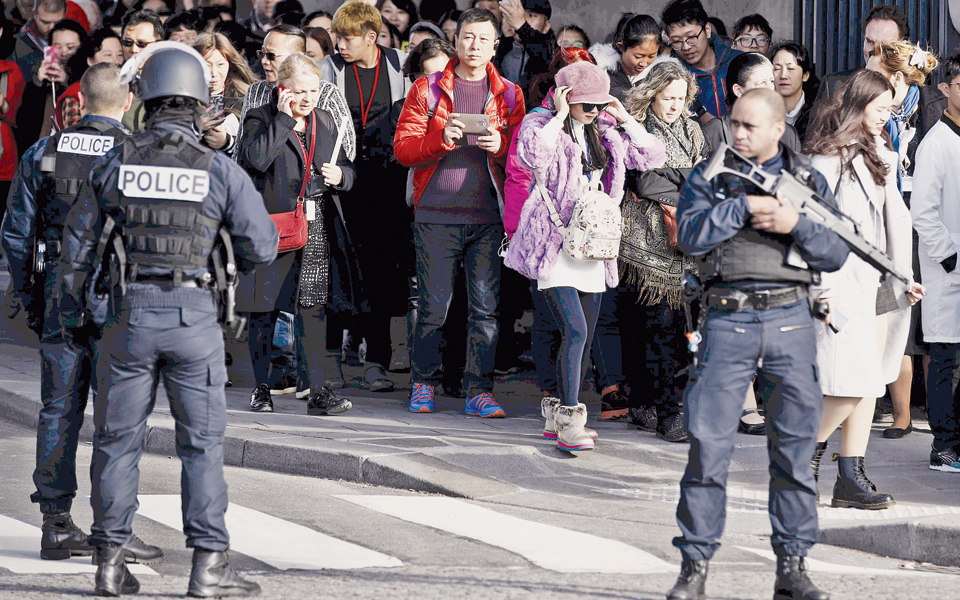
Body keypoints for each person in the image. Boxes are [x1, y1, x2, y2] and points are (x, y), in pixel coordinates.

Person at [57, 43, 276, 596]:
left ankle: (109, 563)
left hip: (127, 317)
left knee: (116, 441)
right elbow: (264, 245)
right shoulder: (217, 168)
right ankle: (208, 566)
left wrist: (71, 312)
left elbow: (78, 248)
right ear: (201, 100)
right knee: (200, 445)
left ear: (144, 97)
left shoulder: (116, 162)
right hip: (195, 317)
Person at [668, 88, 849, 600]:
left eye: (750, 126)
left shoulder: (807, 181)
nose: (739, 133)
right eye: (736, 125)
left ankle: (792, 567)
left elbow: (838, 249)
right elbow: (689, 234)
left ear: (776, 129)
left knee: (793, 452)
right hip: (727, 321)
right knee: (708, 447)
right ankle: (694, 568)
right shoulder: (711, 175)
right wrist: (741, 208)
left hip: (791, 322)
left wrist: (796, 224)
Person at [0, 62, 163, 566]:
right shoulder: (135, 153)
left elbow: (15, 234)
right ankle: (113, 530)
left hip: (58, 293)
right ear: (127, 101)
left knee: (58, 408)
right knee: (118, 416)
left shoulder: (43, 150)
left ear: (83, 100)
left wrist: (28, 296)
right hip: (118, 298)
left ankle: (54, 525)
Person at [505, 61, 664, 450]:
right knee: (574, 330)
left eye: (599, 105)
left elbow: (652, 157)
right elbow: (532, 159)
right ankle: (571, 420)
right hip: (553, 243)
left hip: (594, 246)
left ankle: (555, 412)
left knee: (585, 335)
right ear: (565, 97)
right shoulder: (540, 125)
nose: (593, 112)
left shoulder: (606, 132)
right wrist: (559, 117)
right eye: (586, 105)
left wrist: (625, 118)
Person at [394, 7, 524, 416]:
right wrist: (439, 138)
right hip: (435, 215)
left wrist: (500, 147)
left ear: (494, 45)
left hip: (487, 218)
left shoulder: (509, 94)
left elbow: (524, 155)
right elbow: (403, 150)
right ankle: (423, 383)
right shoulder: (427, 89)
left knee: (485, 310)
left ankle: (478, 391)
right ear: (458, 39)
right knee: (434, 308)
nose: (474, 46)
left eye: (484, 39)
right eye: (468, 37)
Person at [805, 69, 922, 509]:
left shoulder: (881, 153)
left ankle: (850, 478)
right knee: (852, 382)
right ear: (857, 105)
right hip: (840, 283)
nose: (885, 117)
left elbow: (895, 220)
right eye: (880, 109)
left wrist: (904, 276)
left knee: (870, 383)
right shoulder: (827, 158)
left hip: (878, 281)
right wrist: (824, 292)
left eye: (889, 110)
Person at [239, 52, 355, 416]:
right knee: (264, 308)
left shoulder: (324, 120)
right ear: (282, 90)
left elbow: (349, 168)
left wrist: (342, 177)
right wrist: (285, 119)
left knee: (312, 307)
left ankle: (317, 390)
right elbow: (256, 160)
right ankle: (261, 388)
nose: (308, 99)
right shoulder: (261, 118)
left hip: (313, 223)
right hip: (271, 225)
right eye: (299, 91)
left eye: (314, 90)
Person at [326, 0, 411, 393]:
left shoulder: (399, 65)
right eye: (337, 37)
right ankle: (336, 358)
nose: (340, 44)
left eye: (347, 38)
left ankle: (376, 359)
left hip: (389, 183)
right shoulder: (332, 69)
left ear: (371, 37)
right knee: (343, 271)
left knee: (380, 274)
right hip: (343, 181)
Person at [620, 59, 703, 441]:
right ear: (651, 95)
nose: (674, 104)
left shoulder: (694, 130)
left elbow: (706, 181)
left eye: (680, 97)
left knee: (676, 332)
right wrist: (684, 179)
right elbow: (642, 183)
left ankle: (668, 409)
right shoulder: (635, 129)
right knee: (646, 328)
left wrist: (673, 177)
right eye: (667, 97)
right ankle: (647, 405)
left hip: (684, 245)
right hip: (641, 245)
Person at [866, 40, 943, 437]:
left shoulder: (935, 107)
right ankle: (901, 414)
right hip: (890, 219)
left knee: (933, 321)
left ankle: (938, 415)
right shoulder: (874, 114)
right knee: (896, 313)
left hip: (931, 220)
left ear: (896, 78)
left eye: (876, 73)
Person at [911, 50, 960, 473]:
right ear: (944, 90)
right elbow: (922, 212)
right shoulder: (936, 143)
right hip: (949, 270)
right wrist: (950, 256)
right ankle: (942, 444)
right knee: (945, 357)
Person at [811, 4, 908, 112]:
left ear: (903, 46)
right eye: (870, 42)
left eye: (885, 45)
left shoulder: (923, 94)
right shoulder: (835, 87)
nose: (875, 51)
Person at [702, 51, 803, 154]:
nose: (770, 89)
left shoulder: (788, 133)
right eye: (761, 83)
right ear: (738, 90)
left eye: (772, 81)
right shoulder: (713, 131)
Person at [661, 0, 740, 120]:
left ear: (707, 30)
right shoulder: (671, 77)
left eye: (692, 37)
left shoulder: (739, 61)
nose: (686, 47)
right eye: (677, 41)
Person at [11, 0, 67, 155]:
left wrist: (67, 78)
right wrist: (35, 80)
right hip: (31, 122)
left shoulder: (74, 38)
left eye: (57, 22)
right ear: (34, 14)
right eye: (45, 22)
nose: (51, 28)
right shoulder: (19, 42)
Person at [193, 31, 255, 153]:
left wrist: (228, 142)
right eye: (206, 65)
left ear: (229, 64)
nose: (214, 73)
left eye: (220, 64)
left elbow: (258, 148)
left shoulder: (247, 98)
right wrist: (195, 128)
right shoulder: (181, 98)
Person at [56, 27, 122, 130]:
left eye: (120, 55)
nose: (116, 61)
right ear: (90, 61)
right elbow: (76, 137)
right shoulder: (75, 93)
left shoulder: (126, 89)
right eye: (108, 55)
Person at [493, 0, 553, 106]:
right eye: (518, 15)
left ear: (547, 26)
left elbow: (542, 53)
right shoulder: (498, 50)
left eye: (531, 15)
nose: (522, 19)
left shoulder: (551, 53)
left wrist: (522, 26)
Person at [597, 13, 661, 103]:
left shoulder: (659, 75)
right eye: (638, 56)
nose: (644, 63)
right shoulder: (602, 73)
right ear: (621, 47)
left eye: (651, 56)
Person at [119, 9, 164, 131]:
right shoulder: (112, 82)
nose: (133, 49)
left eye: (142, 44)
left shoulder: (173, 83)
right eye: (127, 43)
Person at [771, 41, 818, 143]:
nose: (783, 75)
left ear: (805, 76)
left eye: (791, 68)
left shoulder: (818, 113)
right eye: (777, 68)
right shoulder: (762, 111)